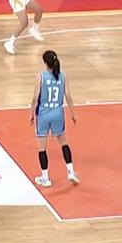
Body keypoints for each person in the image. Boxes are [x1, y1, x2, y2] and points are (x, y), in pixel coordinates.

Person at [28, 50, 79, 187]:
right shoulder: (63, 76)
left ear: (45, 63)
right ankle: (71, 172)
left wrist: (31, 113)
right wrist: (73, 113)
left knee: (42, 147)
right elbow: (68, 96)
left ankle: (45, 178)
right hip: (58, 113)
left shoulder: (40, 77)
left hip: (44, 114)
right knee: (64, 142)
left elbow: (34, 98)